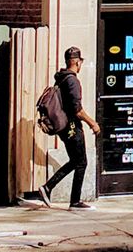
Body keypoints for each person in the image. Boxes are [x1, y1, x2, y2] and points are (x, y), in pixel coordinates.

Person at [36, 46, 100, 209]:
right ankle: (74, 201)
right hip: (72, 127)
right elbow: (77, 110)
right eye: (80, 62)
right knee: (81, 162)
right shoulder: (72, 81)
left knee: (76, 161)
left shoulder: (61, 78)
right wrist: (92, 123)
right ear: (77, 62)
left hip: (63, 127)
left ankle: (48, 188)